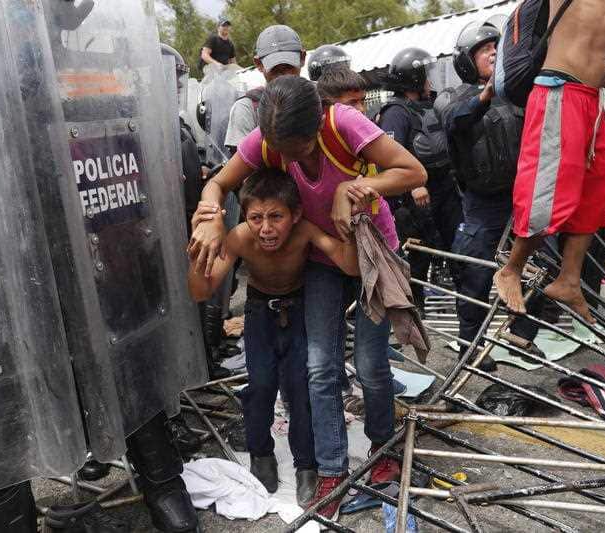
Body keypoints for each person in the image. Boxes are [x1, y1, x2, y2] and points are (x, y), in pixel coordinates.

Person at [188, 75, 425, 520]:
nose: (289, 158)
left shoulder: (344, 124)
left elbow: (413, 171)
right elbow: (216, 185)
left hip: (370, 250)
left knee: (373, 366)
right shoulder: (268, 141)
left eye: (297, 148)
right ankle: (330, 469)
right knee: (320, 367)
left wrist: (348, 188)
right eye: (280, 150)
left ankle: (383, 449)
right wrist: (210, 218)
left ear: (317, 124)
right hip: (321, 255)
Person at [188, 168, 361, 507]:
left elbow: (349, 264)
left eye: (276, 217)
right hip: (258, 313)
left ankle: (307, 465)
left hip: (298, 311)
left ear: (295, 215)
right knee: (261, 384)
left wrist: (351, 228)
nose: (266, 229)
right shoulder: (239, 237)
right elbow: (200, 291)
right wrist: (198, 251)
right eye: (256, 217)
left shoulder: (305, 232)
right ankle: (261, 453)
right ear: (245, 216)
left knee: (300, 387)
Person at [494, 0, 605, 324]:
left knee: (598, 194)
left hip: (591, 98)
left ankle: (568, 281)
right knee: (546, 193)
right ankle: (511, 269)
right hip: (559, 90)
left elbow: (595, 52)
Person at [440, 20, 542, 364]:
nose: (495, 52)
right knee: (475, 274)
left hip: (523, 197)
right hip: (483, 204)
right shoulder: (453, 98)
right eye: (484, 49)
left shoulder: (520, 94)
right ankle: (471, 346)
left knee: (545, 264)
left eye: (497, 47)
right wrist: (487, 93)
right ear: (467, 61)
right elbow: (456, 121)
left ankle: (521, 332)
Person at [378, 47, 463, 309]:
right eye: (425, 74)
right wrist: (414, 185)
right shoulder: (396, 112)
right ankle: (415, 310)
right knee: (417, 255)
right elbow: (387, 157)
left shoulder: (429, 105)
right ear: (413, 79)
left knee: (455, 245)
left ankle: (463, 299)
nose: (430, 80)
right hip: (414, 195)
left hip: (444, 187)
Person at [224, 24, 306, 152]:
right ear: (258, 64)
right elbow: (242, 164)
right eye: (275, 70)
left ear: (302, 58)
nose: (284, 76)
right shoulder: (247, 108)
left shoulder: (319, 98)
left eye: (289, 67)